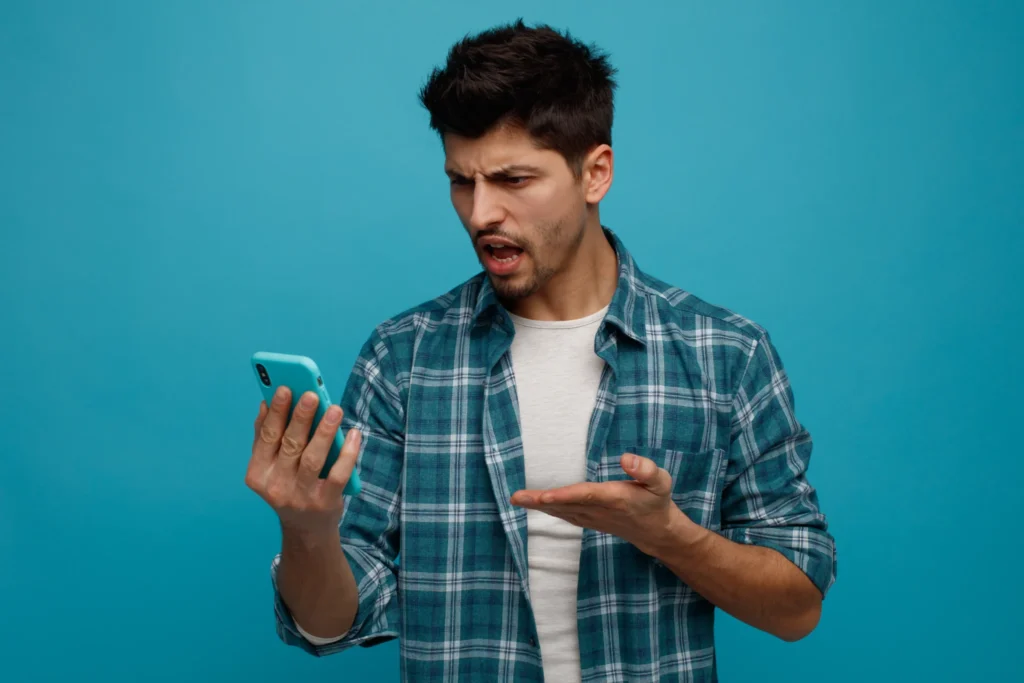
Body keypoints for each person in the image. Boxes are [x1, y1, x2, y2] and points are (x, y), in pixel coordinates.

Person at [245, 19, 837, 683]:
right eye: (461, 182)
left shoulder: (726, 353)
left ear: (596, 173)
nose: (480, 213)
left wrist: (669, 533)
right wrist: (308, 531)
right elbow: (330, 625)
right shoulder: (402, 358)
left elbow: (798, 608)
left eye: (513, 179)